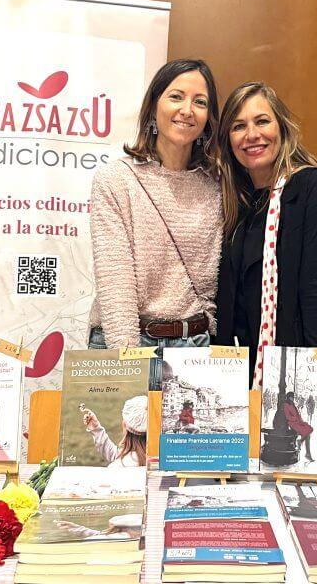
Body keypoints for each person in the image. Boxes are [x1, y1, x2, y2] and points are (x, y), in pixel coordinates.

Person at [212, 82, 317, 407]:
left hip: (297, 377)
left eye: (262, 121)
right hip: (238, 377)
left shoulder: (310, 188)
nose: (252, 134)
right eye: (239, 126)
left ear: (281, 127)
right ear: (228, 140)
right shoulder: (237, 201)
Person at [88, 59, 222, 388]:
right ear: (154, 107)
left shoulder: (217, 185)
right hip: (126, 344)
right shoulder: (116, 179)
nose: (187, 110)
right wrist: (127, 370)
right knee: (122, 441)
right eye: (176, 97)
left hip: (194, 349)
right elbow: (115, 281)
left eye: (200, 102)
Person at [82, 395, 147, 467]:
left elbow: (120, 459)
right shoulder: (156, 456)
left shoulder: (118, 466)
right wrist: (97, 429)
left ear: (125, 426)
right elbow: (116, 455)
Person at [283, 391, 314, 462]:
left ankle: (301, 442)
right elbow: (288, 417)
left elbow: (297, 414)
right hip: (292, 424)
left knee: (310, 429)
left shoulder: (292, 404)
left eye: (293, 397)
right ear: (288, 397)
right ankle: (307, 454)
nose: (292, 399)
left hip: (298, 422)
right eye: (291, 397)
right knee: (307, 433)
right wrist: (296, 419)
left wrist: (301, 421)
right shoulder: (286, 405)